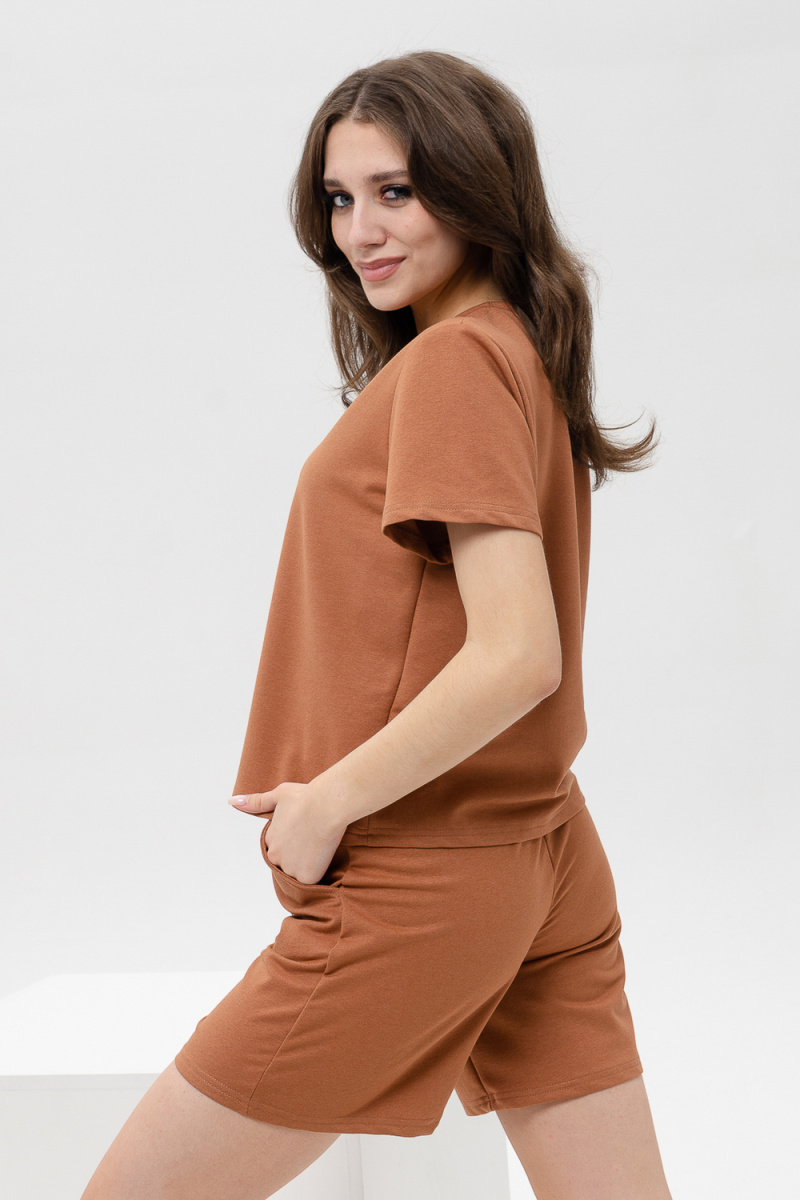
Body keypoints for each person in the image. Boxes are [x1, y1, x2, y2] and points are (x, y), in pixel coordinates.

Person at [81, 49, 673, 1200]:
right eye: (339, 198)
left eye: (395, 191)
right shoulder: (512, 347)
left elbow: (516, 653)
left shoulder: (455, 364)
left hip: (427, 870)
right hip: (543, 848)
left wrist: (328, 802)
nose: (360, 230)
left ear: (474, 183)